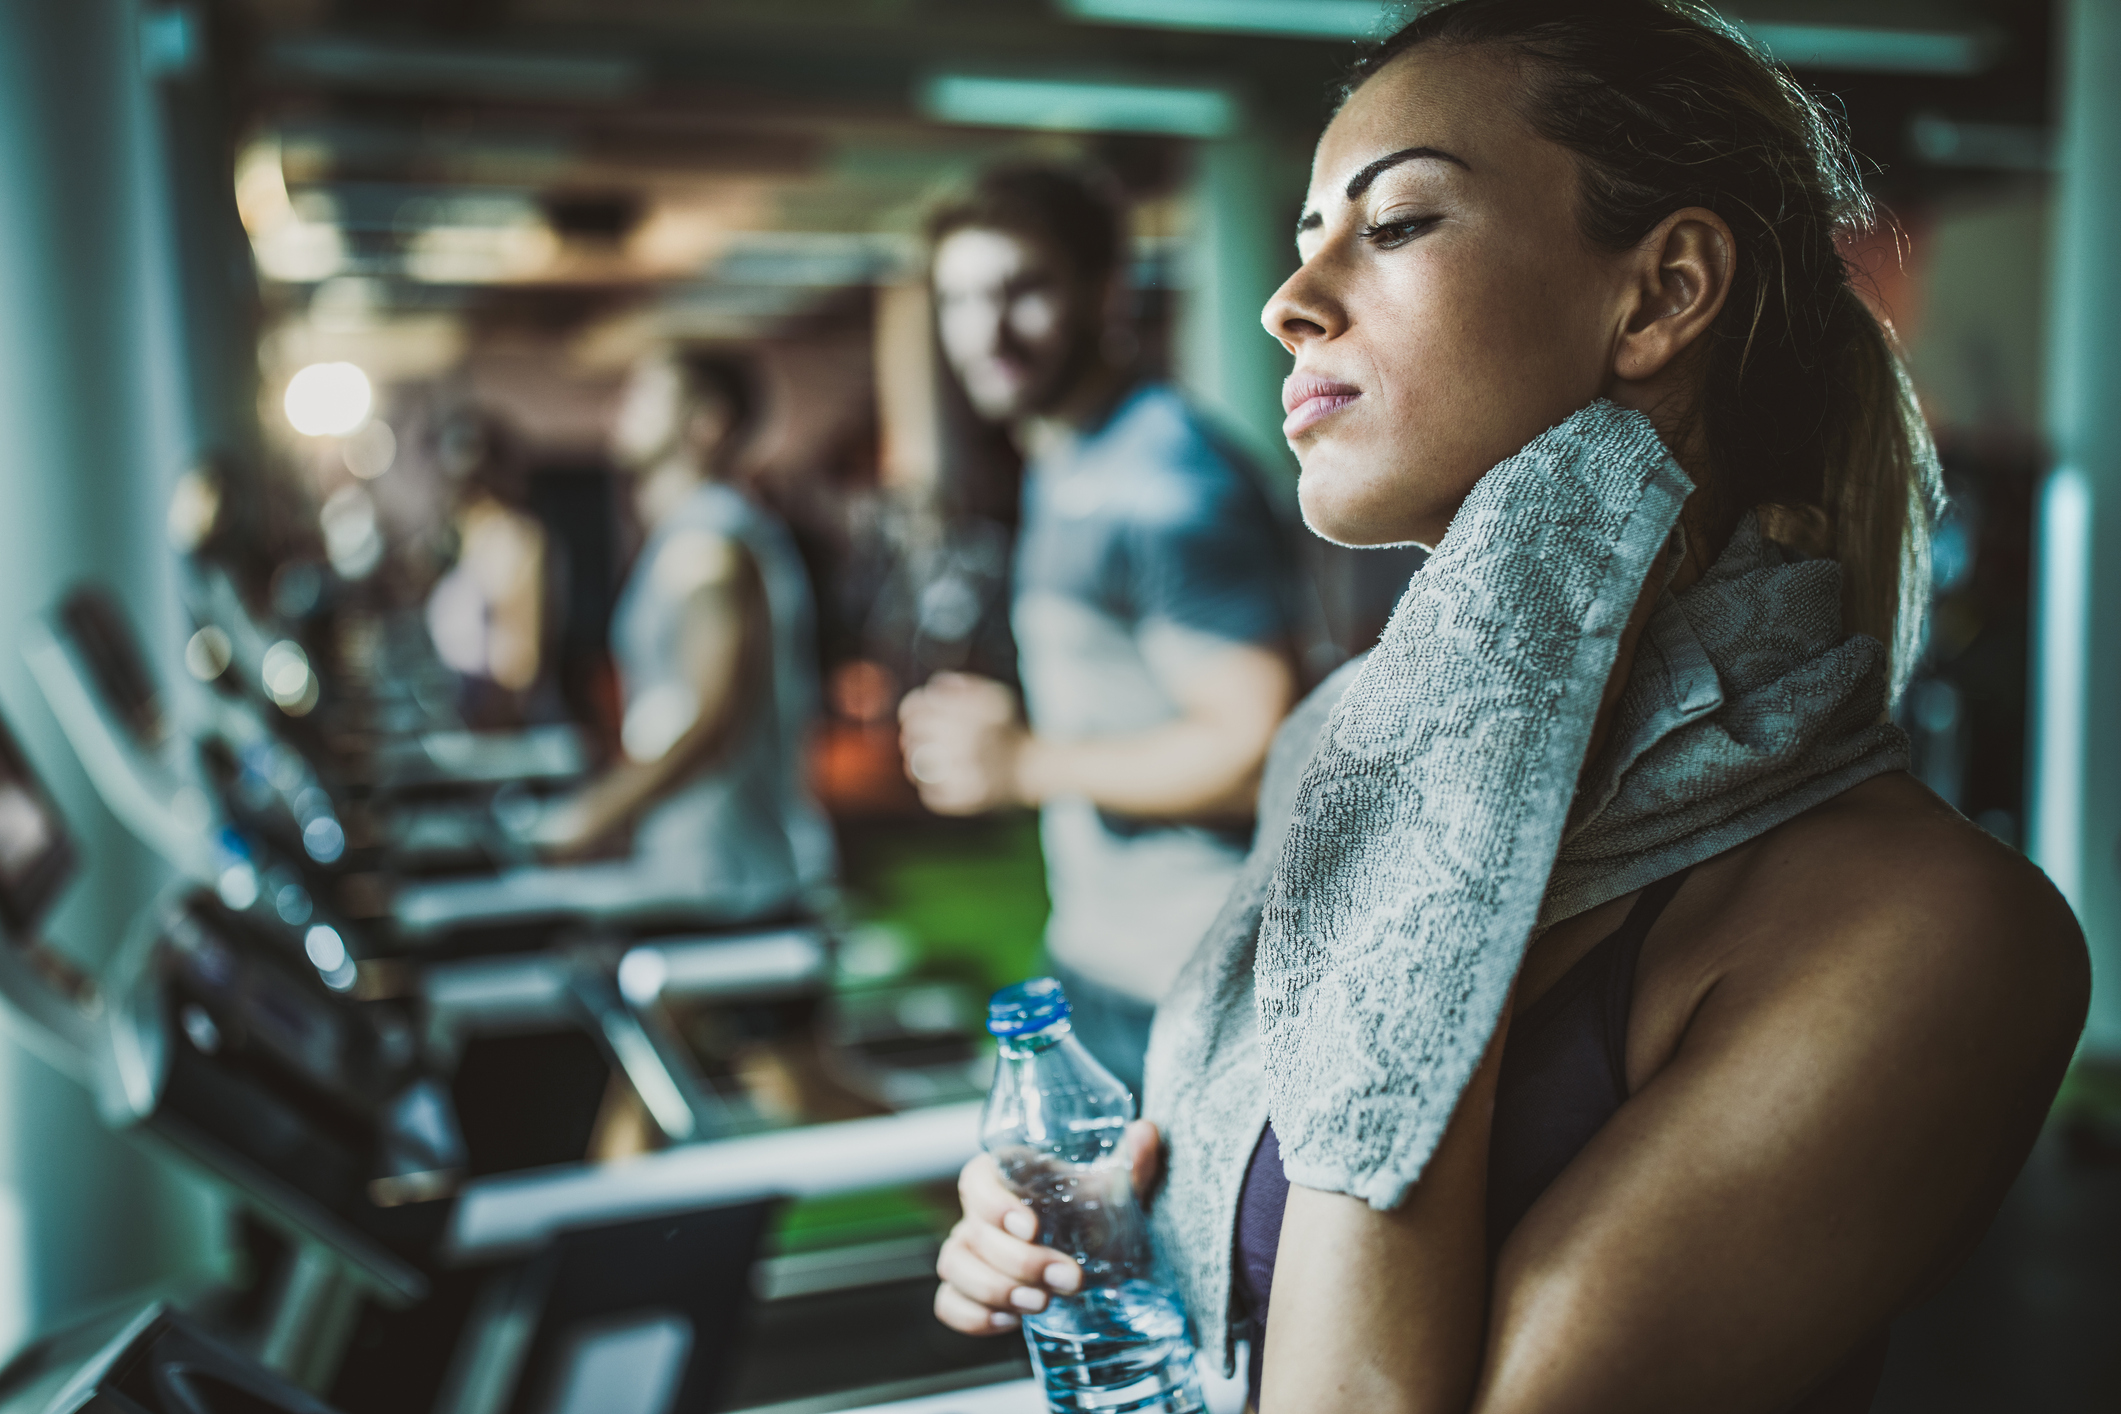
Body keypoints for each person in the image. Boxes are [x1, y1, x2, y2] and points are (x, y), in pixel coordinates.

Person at [928, 5, 2089, 1412]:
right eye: (1304, 235)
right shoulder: (1348, 743)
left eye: (1398, 221)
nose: (1287, 300)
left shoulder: (1931, 931)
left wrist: (1489, 676)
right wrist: (1137, 1222)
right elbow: (1271, 1222)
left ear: (1662, 293)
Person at [898, 166, 1303, 1095]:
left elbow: (1254, 754)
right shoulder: (1067, 456)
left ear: (1105, 291)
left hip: (1192, 973)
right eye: (959, 298)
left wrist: (1024, 764)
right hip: (1098, 948)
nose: (986, 330)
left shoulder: (1162, 482)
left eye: (1022, 290)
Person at [393, 349, 834, 930]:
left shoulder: (711, 543)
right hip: (697, 858)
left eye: (646, 396)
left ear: (706, 423)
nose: (619, 410)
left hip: (733, 873)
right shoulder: (689, 532)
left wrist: (591, 818)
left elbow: (713, 719)